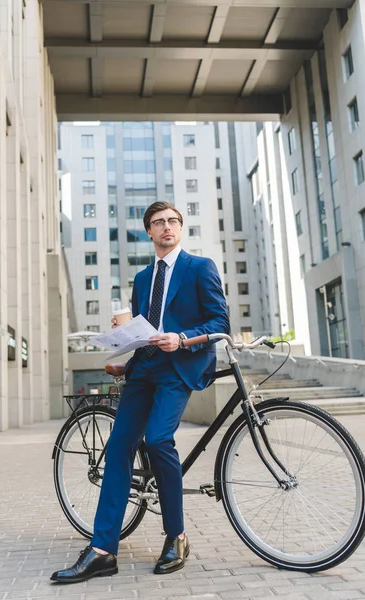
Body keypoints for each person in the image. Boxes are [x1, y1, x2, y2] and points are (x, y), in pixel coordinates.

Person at [51, 201, 230, 584]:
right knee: (118, 447)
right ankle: (102, 551)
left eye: (172, 221)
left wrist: (181, 339)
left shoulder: (200, 268)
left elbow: (219, 321)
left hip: (178, 367)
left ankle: (177, 537)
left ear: (180, 227)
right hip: (144, 367)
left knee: (158, 438)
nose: (166, 227)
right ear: (149, 232)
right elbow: (143, 328)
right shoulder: (142, 278)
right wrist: (122, 345)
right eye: (158, 223)